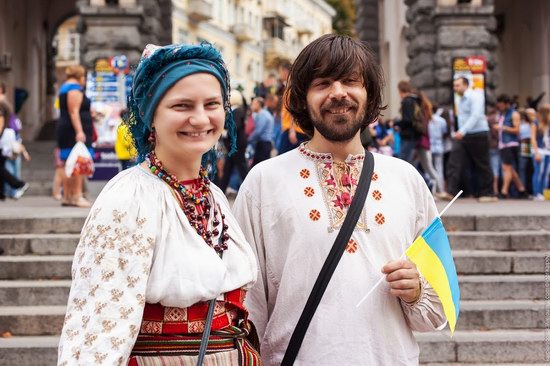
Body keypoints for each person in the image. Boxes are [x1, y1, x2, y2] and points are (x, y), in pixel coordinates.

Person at [233, 34, 446, 365]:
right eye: (323, 83)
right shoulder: (264, 182)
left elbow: (437, 312)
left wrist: (416, 290)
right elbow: (247, 307)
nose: (338, 93)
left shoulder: (407, 180)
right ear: (303, 98)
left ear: (370, 94)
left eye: (350, 81)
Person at [58, 43, 261, 365]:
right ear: (151, 114)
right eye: (182, 105)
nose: (200, 118)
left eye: (211, 103)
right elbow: (96, 329)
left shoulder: (214, 195)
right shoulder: (129, 198)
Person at [437, 77, 497, 202]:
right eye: (454, 85)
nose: (455, 88)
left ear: (466, 85)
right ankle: (451, 191)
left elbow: (476, 115)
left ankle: (488, 193)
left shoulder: (475, 96)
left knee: (482, 164)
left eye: (457, 85)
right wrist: (461, 132)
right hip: (463, 135)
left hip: (478, 133)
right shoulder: (461, 99)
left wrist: (462, 131)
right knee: (454, 161)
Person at [56, 65, 94, 207]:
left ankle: (68, 196)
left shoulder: (64, 87)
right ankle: (77, 196)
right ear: (80, 76)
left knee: (69, 163)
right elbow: (74, 112)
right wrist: (79, 131)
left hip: (66, 129)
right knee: (78, 162)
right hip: (72, 131)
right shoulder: (74, 89)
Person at [496, 94, 527, 198]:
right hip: (502, 143)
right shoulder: (501, 114)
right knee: (510, 169)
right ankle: (521, 189)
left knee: (506, 167)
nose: (499, 106)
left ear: (506, 104)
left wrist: (502, 127)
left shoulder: (514, 114)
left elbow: (517, 130)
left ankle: (504, 191)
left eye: (501, 104)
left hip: (510, 143)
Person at [0, 100, 29, 200]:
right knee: (1, 166)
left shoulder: (1, 107)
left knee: (1, 168)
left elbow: (0, 123)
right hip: (6, 139)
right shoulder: (6, 107)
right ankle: (2, 193)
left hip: (3, 140)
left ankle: (19, 184)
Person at [396, 81, 421, 163]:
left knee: (402, 161)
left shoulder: (407, 101)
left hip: (407, 135)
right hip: (415, 134)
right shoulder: (415, 100)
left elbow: (408, 120)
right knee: (411, 161)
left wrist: (397, 124)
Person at [531, 103, 550, 201]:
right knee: (539, 172)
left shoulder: (548, 124)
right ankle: (536, 192)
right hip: (539, 150)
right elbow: (533, 138)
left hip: (548, 151)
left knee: (546, 173)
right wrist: (536, 152)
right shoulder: (535, 123)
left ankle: (543, 192)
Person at [248, 97, 274, 166]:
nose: (251, 106)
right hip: (264, 143)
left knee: (259, 165)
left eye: (253, 104)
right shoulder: (264, 114)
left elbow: (258, 131)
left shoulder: (262, 115)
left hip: (263, 144)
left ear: (258, 104)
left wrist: (248, 139)